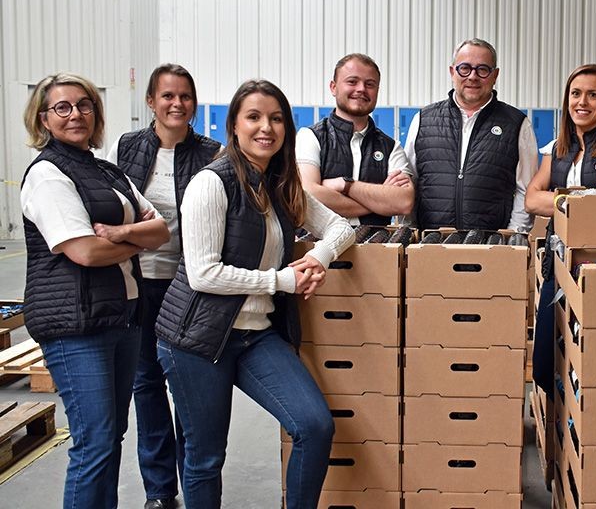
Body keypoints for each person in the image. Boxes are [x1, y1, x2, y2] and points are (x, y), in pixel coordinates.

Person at [154, 80, 354, 509]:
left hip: (254, 335)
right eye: (254, 117)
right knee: (206, 457)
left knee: (314, 425)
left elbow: (341, 228)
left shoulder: (280, 184)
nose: (267, 127)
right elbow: (204, 274)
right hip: (196, 340)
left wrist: (317, 258)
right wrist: (282, 281)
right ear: (234, 125)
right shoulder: (211, 183)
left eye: (276, 118)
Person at [20, 73, 170, 509]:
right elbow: (84, 251)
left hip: (122, 317)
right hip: (76, 326)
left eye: (84, 105)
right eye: (62, 107)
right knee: (95, 442)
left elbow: (161, 230)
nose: (75, 115)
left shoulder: (107, 171)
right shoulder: (48, 175)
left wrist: (122, 233)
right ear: (43, 119)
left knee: (109, 436)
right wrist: (136, 240)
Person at [104, 64, 221, 509]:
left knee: (189, 390)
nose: (177, 104)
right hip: (136, 284)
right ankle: (159, 492)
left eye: (185, 96)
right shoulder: (126, 148)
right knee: (147, 385)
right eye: (168, 96)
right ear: (151, 101)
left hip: (188, 287)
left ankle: (194, 485)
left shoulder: (212, 153)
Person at [524, 63, 596, 397]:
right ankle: (565, 414)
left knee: (594, 360)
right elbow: (532, 200)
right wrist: (582, 202)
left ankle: (582, 422)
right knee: (544, 362)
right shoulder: (555, 149)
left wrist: (560, 200)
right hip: (558, 265)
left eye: (593, 95)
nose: (583, 102)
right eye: (576, 94)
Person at [403, 38, 538, 231]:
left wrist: (512, 236)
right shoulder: (423, 120)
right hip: (431, 243)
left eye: (482, 69)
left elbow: (525, 189)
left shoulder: (517, 124)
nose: (473, 76)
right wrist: (410, 233)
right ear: (452, 72)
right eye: (464, 68)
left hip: (492, 244)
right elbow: (409, 182)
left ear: (495, 75)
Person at [296, 53, 414, 224]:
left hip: (375, 241)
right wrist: (379, 202)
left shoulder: (391, 147)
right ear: (333, 87)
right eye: (352, 82)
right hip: (320, 241)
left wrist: (346, 185)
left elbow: (404, 202)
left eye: (370, 84)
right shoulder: (310, 137)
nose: (361, 89)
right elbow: (307, 196)